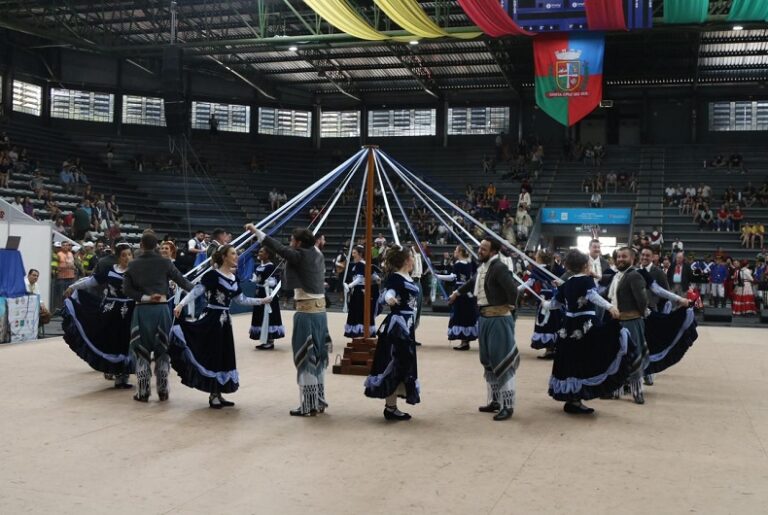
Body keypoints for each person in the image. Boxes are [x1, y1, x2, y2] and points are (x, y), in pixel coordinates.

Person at [170, 245, 271, 408]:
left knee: (224, 354)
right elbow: (197, 291)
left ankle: (218, 392)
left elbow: (241, 300)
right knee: (213, 354)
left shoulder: (233, 277)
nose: (236, 256)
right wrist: (181, 304)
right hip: (212, 320)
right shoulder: (212, 276)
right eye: (233, 254)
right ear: (224, 257)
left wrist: (261, 301)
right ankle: (213, 394)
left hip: (225, 323)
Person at [247, 224, 329, 417]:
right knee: (318, 358)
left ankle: (308, 405)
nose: (290, 244)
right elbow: (310, 245)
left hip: (306, 313)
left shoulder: (299, 255)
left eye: (293, 241)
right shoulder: (317, 253)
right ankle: (318, 400)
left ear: (298, 243)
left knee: (306, 359)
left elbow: (278, 248)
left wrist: (256, 231)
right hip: (320, 313)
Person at [544, 250, 635, 414]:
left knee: (571, 359)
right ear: (586, 265)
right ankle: (576, 400)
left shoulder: (566, 283)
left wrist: (544, 303)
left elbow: (554, 305)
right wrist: (610, 307)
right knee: (590, 356)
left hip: (568, 327)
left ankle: (573, 399)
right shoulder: (586, 281)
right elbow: (593, 296)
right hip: (584, 325)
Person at [450, 238, 519, 421]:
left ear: (494, 251)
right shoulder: (484, 267)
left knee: (502, 362)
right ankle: (495, 401)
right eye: (480, 247)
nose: (479, 250)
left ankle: (508, 405)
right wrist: (457, 293)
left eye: (484, 248)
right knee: (487, 360)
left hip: (498, 318)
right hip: (485, 318)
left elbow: (513, 291)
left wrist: (510, 308)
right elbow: (473, 281)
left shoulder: (499, 267)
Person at [123, 232, 195, 403]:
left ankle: (143, 391)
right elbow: (182, 281)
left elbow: (127, 290)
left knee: (141, 352)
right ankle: (163, 389)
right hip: (162, 310)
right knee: (163, 352)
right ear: (156, 246)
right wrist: (200, 289)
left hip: (142, 310)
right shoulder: (165, 262)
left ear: (141, 245)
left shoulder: (133, 265)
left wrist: (146, 297)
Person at [62, 242, 135, 389]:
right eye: (123, 255)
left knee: (127, 341)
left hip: (130, 311)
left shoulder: (137, 272)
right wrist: (73, 286)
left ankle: (123, 376)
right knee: (110, 339)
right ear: (118, 257)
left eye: (129, 254)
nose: (127, 258)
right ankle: (112, 369)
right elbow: (91, 282)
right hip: (110, 310)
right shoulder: (109, 270)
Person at [364, 245, 421, 421]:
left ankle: (391, 407)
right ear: (406, 260)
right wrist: (390, 298)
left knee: (402, 363)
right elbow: (388, 293)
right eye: (411, 257)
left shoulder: (407, 277)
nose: (413, 260)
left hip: (407, 326)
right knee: (396, 362)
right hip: (398, 327)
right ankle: (390, 407)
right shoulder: (395, 278)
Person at [607, 247, 649, 404]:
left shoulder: (634, 276)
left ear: (632, 259)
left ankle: (637, 392)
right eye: (618, 257)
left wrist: (636, 315)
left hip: (632, 322)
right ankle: (617, 390)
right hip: (617, 322)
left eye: (624, 257)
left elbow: (643, 301)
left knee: (633, 356)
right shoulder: (617, 276)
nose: (620, 259)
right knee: (618, 356)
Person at [517, 251, 562, 360]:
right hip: (556, 298)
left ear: (540, 258)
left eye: (536, 256)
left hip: (544, 298)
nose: (535, 257)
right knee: (554, 321)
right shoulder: (556, 267)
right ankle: (553, 348)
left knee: (545, 321)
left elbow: (530, 283)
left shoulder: (538, 269)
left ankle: (549, 350)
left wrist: (517, 289)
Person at [434, 246, 478, 351]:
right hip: (470, 293)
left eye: (456, 250)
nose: (454, 252)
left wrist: (438, 276)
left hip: (460, 293)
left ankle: (464, 341)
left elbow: (452, 277)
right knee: (468, 316)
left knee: (460, 315)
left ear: (460, 253)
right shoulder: (471, 263)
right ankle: (465, 340)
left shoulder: (458, 264)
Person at [249, 246, 285, 350]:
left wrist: (267, 283)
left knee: (268, 315)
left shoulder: (271, 267)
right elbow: (257, 278)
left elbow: (274, 282)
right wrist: (255, 279)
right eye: (259, 251)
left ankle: (270, 340)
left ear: (267, 255)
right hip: (259, 294)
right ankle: (264, 338)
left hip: (267, 294)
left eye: (261, 252)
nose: (259, 253)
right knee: (260, 315)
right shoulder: (259, 266)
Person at [343, 245, 379, 339]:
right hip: (359, 291)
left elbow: (359, 279)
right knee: (358, 311)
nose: (352, 255)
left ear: (360, 254)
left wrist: (349, 285)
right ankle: (361, 332)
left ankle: (360, 333)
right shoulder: (363, 264)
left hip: (361, 292)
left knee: (359, 311)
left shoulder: (361, 264)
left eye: (354, 253)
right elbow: (375, 277)